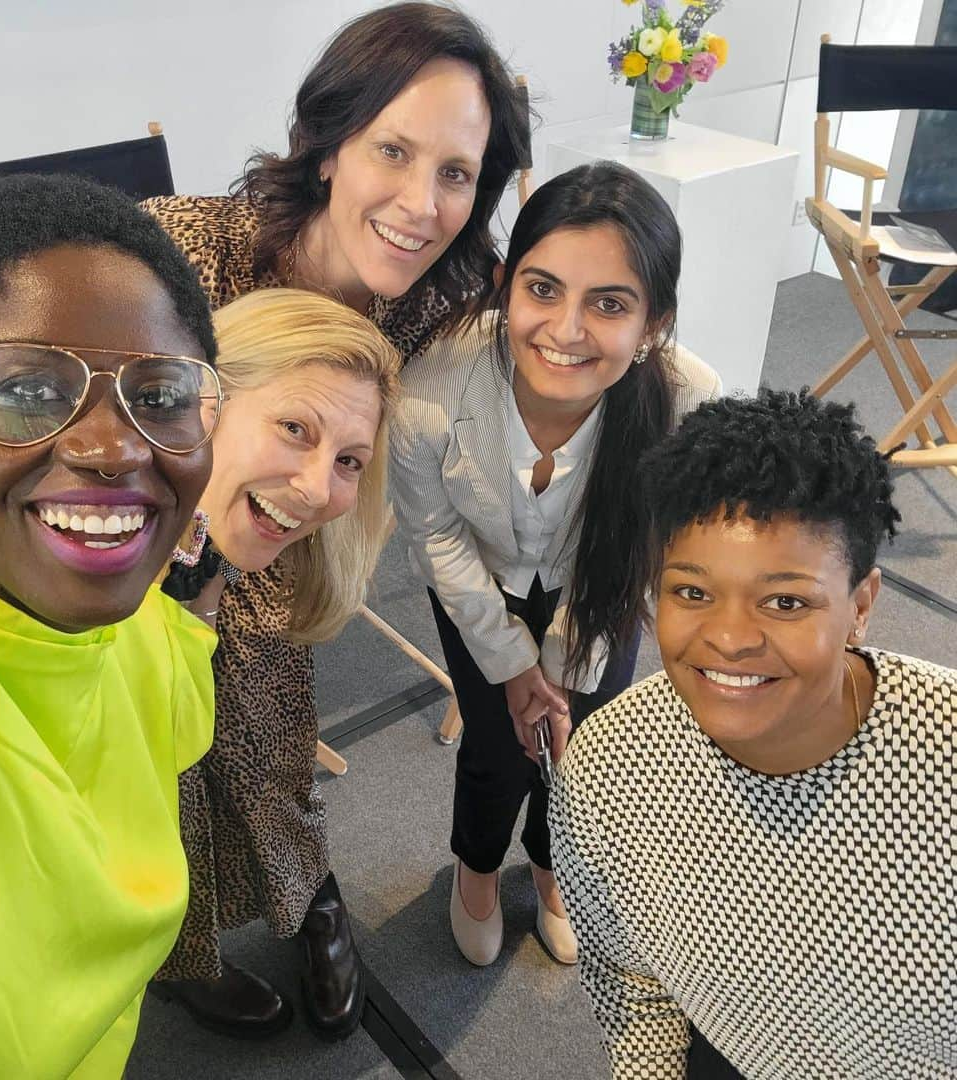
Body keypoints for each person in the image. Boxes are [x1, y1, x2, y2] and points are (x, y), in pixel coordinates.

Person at [141, 1, 528, 1038]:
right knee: (147, 745)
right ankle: (176, 949)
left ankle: (309, 901)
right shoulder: (179, 247)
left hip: (294, 543)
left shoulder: (434, 306)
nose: (421, 202)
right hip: (143, 534)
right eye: (393, 151)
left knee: (265, 704)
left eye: (457, 173)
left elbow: (565, 353)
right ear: (326, 146)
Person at [0, 174, 225, 1078]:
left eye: (159, 395)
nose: (114, 448)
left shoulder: (146, 632)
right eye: (26, 392)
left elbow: (183, 697)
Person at [550, 389, 956, 1078]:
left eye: (787, 601)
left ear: (861, 606)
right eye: (693, 593)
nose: (731, 639)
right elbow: (632, 984)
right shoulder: (608, 765)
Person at [390, 161, 722, 968]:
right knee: (497, 746)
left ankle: (551, 869)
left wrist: (566, 665)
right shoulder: (430, 391)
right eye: (542, 290)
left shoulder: (689, 405)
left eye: (608, 304)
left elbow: (649, 554)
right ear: (506, 287)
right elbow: (436, 537)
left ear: (653, 324)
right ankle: (475, 868)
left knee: (585, 743)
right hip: (477, 581)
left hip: (601, 590)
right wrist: (510, 665)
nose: (565, 330)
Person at [149, 288, 400, 1038]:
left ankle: (309, 898)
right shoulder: (91, 554)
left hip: (238, 582)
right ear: (204, 394)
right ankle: (184, 959)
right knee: (166, 800)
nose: (324, 489)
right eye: (295, 428)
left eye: (349, 461)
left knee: (273, 764)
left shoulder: (261, 548)